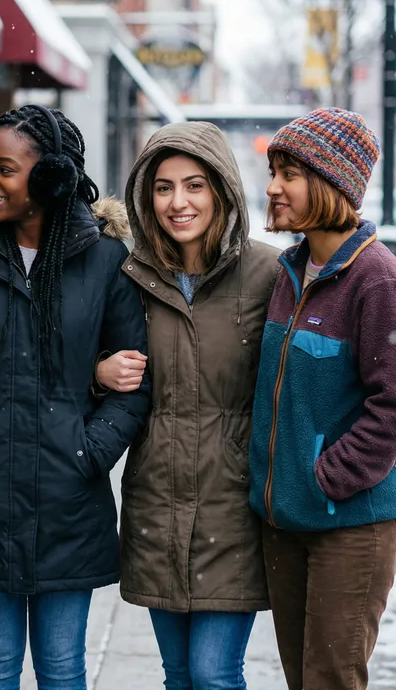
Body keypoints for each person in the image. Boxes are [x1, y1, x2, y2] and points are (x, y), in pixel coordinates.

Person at [0, 104, 151, 690]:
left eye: (5, 169)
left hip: (72, 503)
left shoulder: (106, 262)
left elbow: (136, 384)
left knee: (63, 669)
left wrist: (86, 454)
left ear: (52, 177)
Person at [96, 121, 280, 689]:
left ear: (222, 189)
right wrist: (98, 372)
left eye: (195, 185)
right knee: (178, 674)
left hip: (234, 506)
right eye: (164, 187)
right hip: (158, 501)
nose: (179, 202)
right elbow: (68, 354)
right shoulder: (128, 276)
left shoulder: (270, 273)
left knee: (214, 673)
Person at [249, 108, 396, 690]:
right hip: (283, 520)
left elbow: (393, 408)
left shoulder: (376, 279)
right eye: (273, 172)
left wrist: (325, 477)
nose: (272, 187)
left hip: (349, 525)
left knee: (330, 680)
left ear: (332, 182)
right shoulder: (288, 271)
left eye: (288, 173)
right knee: (299, 678)